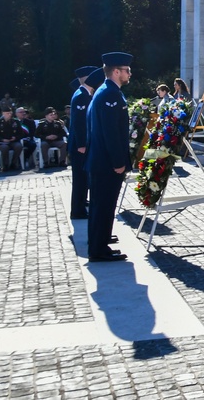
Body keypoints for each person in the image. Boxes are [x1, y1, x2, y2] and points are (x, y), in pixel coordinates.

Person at [86, 53, 133, 262]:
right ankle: (98, 249)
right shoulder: (110, 94)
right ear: (116, 71)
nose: (129, 74)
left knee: (101, 205)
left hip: (100, 161)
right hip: (107, 163)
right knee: (104, 205)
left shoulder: (105, 91)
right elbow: (110, 133)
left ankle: (99, 242)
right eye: (127, 70)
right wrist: (118, 162)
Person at [69, 67, 101, 220]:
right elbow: (79, 123)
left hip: (82, 145)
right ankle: (77, 210)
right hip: (79, 146)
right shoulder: (82, 95)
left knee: (83, 178)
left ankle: (81, 204)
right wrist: (82, 144)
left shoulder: (84, 94)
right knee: (80, 179)